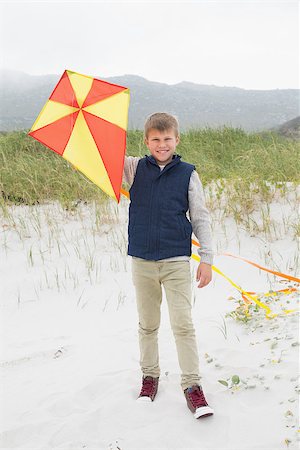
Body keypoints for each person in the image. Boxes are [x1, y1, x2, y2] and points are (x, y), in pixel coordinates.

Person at [122, 112, 214, 419]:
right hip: (143, 261)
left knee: (182, 324)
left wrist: (207, 259)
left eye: (167, 139)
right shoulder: (133, 167)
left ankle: (192, 386)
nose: (162, 145)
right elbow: (102, 159)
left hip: (176, 261)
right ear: (146, 140)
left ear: (177, 139)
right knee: (147, 324)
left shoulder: (188, 173)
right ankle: (150, 379)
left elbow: (200, 217)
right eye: (156, 140)